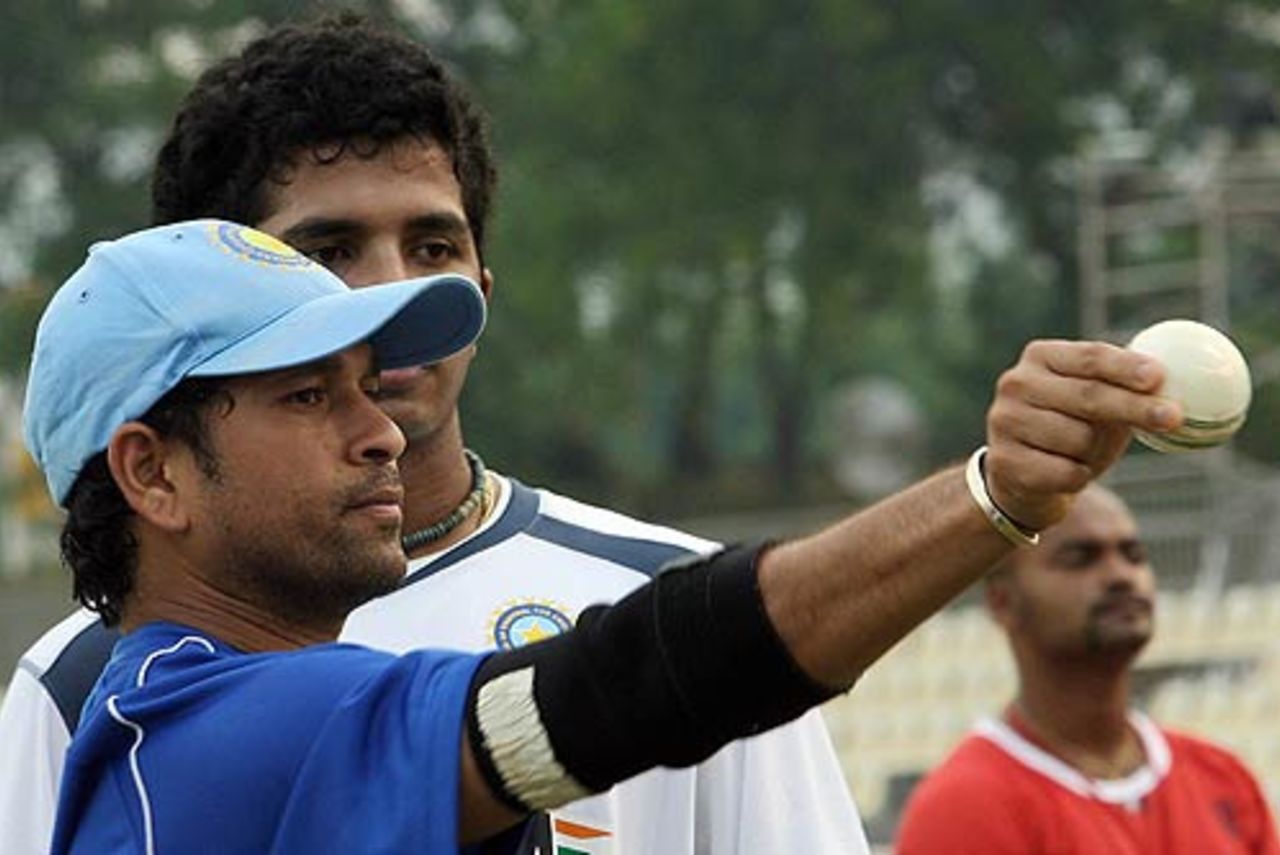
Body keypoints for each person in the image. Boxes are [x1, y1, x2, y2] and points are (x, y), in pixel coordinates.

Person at [0, 14, 1184, 854]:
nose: (377, 428)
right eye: (309, 394)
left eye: (369, 370)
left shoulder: (193, 709)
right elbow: (622, 686)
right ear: (151, 474)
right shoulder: (192, 725)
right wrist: (986, 501)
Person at [894, 484, 1280, 855]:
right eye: (1080, 558)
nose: (1120, 576)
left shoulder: (1220, 777)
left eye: (1133, 555)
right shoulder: (965, 807)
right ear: (1002, 602)